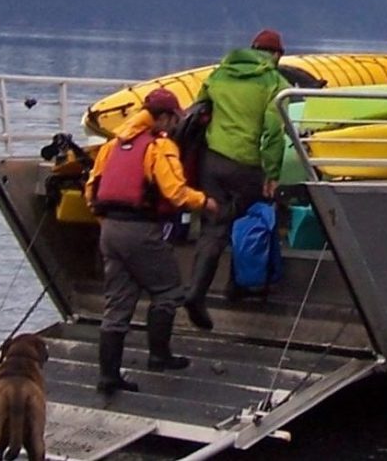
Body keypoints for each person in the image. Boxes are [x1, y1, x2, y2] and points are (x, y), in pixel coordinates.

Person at [85, 89, 218, 393]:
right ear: (164, 117)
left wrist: (105, 223)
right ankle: (159, 356)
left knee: (117, 305)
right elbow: (175, 192)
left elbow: (92, 190)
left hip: (110, 232)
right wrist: (205, 201)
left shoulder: (112, 146)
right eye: (174, 118)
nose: (175, 124)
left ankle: (108, 376)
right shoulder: (159, 147)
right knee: (168, 291)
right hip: (141, 231)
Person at [184, 29, 290, 330]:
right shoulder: (274, 82)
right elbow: (273, 133)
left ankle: (196, 292)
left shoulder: (218, 75)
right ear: (276, 54)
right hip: (247, 165)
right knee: (260, 213)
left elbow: (199, 109)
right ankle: (240, 285)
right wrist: (272, 173)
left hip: (212, 161)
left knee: (213, 229)